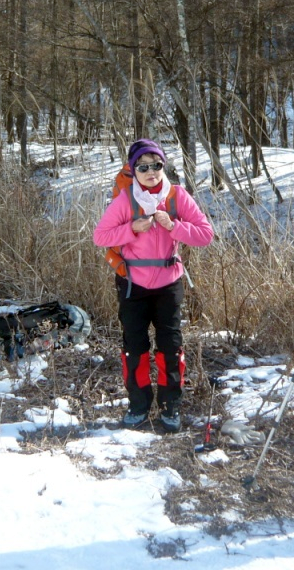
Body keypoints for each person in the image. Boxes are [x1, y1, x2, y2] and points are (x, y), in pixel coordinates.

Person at [92, 139, 214, 433]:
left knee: (170, 347)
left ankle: (170, 405)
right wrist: (132, 229)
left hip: (169, 284)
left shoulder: (177, 196)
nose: (151, 172)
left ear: (164, 166)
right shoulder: (125, 200)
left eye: (156, 165)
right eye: (143, 167)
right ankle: (139, 404)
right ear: (133, 170)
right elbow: (100, 236)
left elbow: (205, 234)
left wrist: (174, 226)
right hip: (133, 285)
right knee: (135, 347)